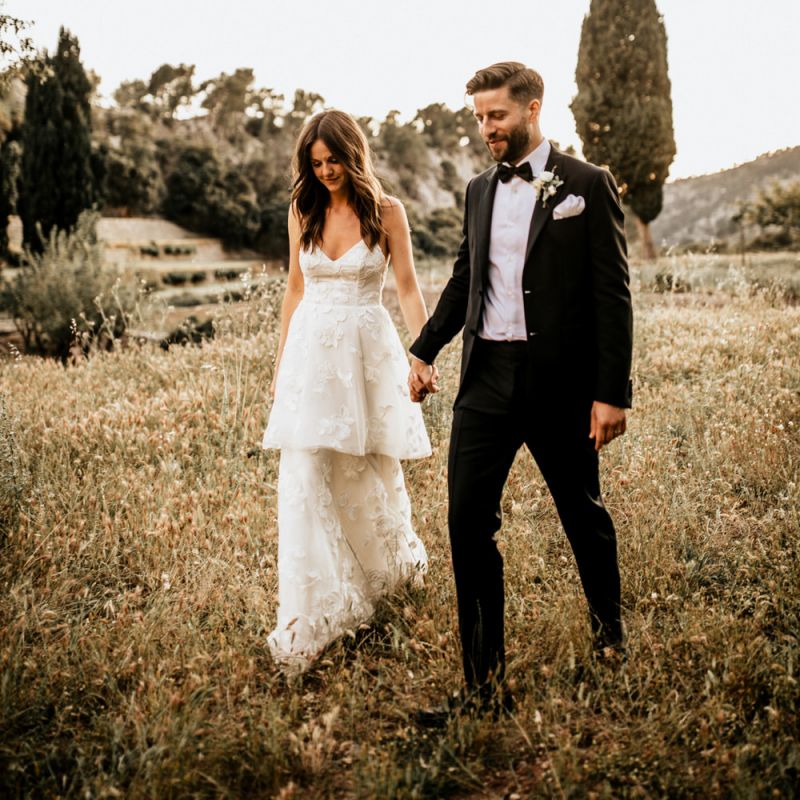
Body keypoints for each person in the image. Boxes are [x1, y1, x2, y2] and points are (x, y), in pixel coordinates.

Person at [408, 62, 633, 720]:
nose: (486, 129)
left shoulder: (587, 185)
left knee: (582, 514)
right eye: (479, 118)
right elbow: (462, 280)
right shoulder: (478, 191)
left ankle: (610, 643)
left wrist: (611, 391)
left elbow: (613, 296)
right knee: (466, 524)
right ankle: (484, 689)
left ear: (532, 109)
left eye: (496, 116)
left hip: (559, 383)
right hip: (485, 381)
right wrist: (424, 347)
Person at [263, 109, 433, 674]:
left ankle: (384, 581)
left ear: (352, 154)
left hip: (365, 355)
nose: (326, 170)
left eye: (333, 159)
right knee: (308, 473)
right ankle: (315, 610)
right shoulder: (302, 209)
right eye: (315, 163)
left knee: (363, 467)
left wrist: (423, 351)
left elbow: (406, 288)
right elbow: (294, 289)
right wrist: (281, 364)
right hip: (311, 358)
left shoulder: (387, 213)